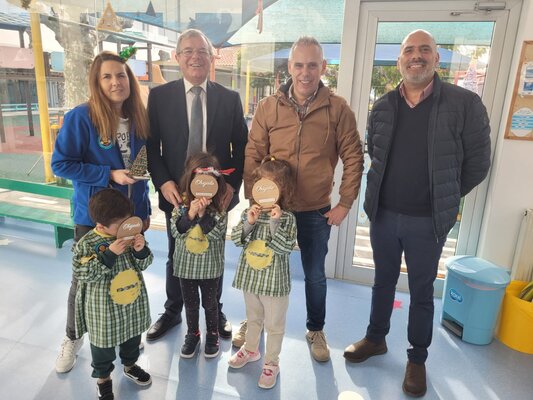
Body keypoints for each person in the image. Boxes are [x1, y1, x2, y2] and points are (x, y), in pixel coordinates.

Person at [343, 30, 491, 398]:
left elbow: (478, 163)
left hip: (428, 221)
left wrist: (445, 195)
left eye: (425, 50)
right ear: (400, 61)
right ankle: (376, 338)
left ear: (437, 59)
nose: (416, 56)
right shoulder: (383, 107)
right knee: (382, 281)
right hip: (384, 215)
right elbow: (375, 154)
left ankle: (417, 359)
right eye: (409, 50)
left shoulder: (465, 104)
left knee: (422, 291)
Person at [242, 36, 364, 362]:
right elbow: (253, 154)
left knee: (315, 274)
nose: (305, 72)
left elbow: (354, 157)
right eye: (299, 65)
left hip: (314, 210)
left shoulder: (338, 109)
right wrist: (253, 198)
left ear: (323, 67)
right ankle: (254, 324)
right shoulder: (269, 107)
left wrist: (344, 203)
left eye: (312, 65)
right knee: (260, 267)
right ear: (289, 67)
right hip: (271, 207)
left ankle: (315, 329)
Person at [51, 50, 151, 373]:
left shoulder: (137, 118)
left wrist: (145, 210)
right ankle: (72, 337)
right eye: (107, 76)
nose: (115, 82)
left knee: (125, 275)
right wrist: (108, 175)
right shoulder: (82, 117)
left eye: (121, 75)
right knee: (84, 281)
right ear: (96, 82)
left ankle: (126, 337)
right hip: (94, 219)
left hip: (131, 217)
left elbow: (141, 170)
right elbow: (61, 164)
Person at [146, 28, 248, 341]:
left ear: (212, 57)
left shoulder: (229, 99)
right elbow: (151, 147)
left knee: (213, 252)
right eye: (188, 51)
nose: (195, 57)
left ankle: (215, 312)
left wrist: (231, 185)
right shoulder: (159, 97)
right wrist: (163, 182)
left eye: (202, 51)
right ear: (177, 57)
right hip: (177, 194)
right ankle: (173, 311)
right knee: (176, 253)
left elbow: (241, 147)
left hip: (217, 196)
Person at [73, 189, 153, 400]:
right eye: (120, 225)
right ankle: (103, 379)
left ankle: (130, 365)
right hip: (104, 309)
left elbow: (145, 263)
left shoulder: (131, 236)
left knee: (132, 336)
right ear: (101, 226)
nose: (126, 227)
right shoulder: (87, 243)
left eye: (128, 221)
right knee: (103, 347)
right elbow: (83, 273)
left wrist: (140, 250)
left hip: (132, 300)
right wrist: (110, 254)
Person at [229, 157, 297, 389]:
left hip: (274, 283)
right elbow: (237, 239)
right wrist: (249, 223)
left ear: (282, 190)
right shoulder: (250, 213)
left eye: (272, 186)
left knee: (274, 325)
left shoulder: (287, 218)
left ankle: (271, 363)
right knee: (253, 317)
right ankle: (250, 350)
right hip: (251, 279)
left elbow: (285, 248)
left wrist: (274, 224)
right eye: (262, 185)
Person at [170, 153, 229, 359]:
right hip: (186, 268)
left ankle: (212, 334)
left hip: (210, 268)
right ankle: (192, 333)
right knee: (191, 304)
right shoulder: (180, 209)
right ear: (191, 182)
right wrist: (190, 215)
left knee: (210, 304)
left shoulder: (220, 211)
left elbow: (215, 235)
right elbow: (177, 232)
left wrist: (203, 215)